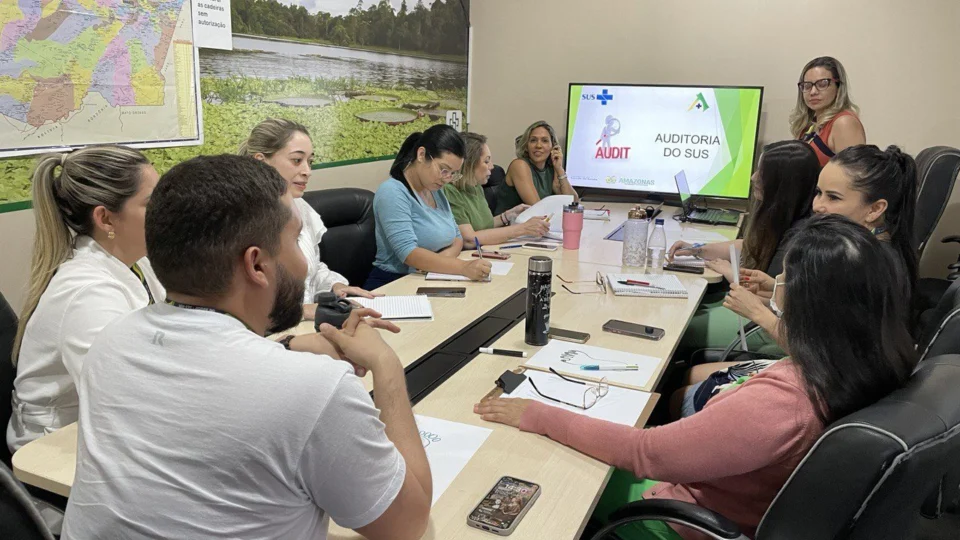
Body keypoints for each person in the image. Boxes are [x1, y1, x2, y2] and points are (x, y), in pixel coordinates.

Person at [476, 214, 917, 540]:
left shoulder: (783, 403)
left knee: (548, 473)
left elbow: (646, 453)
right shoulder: (872, 359)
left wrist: (536, 413)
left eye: (786, 279)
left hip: (685, 519)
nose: (777, 283)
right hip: (731, 494)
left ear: (812, 304)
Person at [62, 155, 431, 540]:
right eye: (293, 240)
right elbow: (407, 526)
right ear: (256, 265)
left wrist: (288, 349)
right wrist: (386, 364)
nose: (304, 265)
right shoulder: (316, 389)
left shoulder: (111, 341)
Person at [680, 144, 919, 417]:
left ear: (875, 209)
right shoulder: (870, 250)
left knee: (686, 389)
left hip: (821, 389)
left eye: (833, 197)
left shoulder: (858, 265)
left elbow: (820, 354)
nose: (818, 206)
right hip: (826, 380)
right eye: (818, 193)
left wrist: (756, 310)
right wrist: (775, 289)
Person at [6, 146, 165, 453]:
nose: (168, 211)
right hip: (53, 448)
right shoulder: (87, 293)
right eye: (152, 202)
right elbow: (123, 400)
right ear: (106, 219)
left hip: (105, 428)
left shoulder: (139, 262)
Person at [668, 140, 821, 352]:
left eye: (762, 173)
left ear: (782, 183)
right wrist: (698, 249)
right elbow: (750, 245)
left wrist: (732, 273)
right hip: (756, 313)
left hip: (765, 327)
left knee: (676, 327)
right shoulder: (787, 217)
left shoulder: (799, 241)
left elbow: (767, 298)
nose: (754, 177)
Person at [239, 118, 376, 320]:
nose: (307, 171)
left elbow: (313, 269)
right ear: (261, 161)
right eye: (297, 160)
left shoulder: (301, 208)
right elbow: (236, 302)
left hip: (304, 326)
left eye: (310, 161)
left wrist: (334, 285)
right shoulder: (237, 220)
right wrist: (302, 312)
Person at [366, 124, 491, 289]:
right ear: (422, 154)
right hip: (394, 284)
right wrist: (462, 267)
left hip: (429, 278)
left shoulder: (435, 190)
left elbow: (457, 238)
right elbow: (409, 253)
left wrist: (433, 265)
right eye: (443, 169)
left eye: (453, 173)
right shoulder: (392, 191)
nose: (447, 179)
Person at [443, 132, 550, 247]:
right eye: (486, 161)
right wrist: (523, 229)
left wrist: (508, 215)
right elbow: (470, 239)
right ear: (470, 164)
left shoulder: (475, 186)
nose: (492, 167)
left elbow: (483, 227)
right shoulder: (450, 191)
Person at [790, 56, 866, 167]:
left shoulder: (844, 122)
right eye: (807, 86)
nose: (813, 92)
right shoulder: (807, 125)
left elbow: (854, 177)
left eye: (822, 84)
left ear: (838, 86)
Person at [494, 120, 578, 215]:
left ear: (553, 146)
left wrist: (559, 169)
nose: (538, 145)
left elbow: (573, 204)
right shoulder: (519, 166)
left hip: (537, 225)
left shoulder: (551, 168)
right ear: (526, 146)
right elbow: (537, 209)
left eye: (544, 141)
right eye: (533, 140)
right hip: (509, 226)